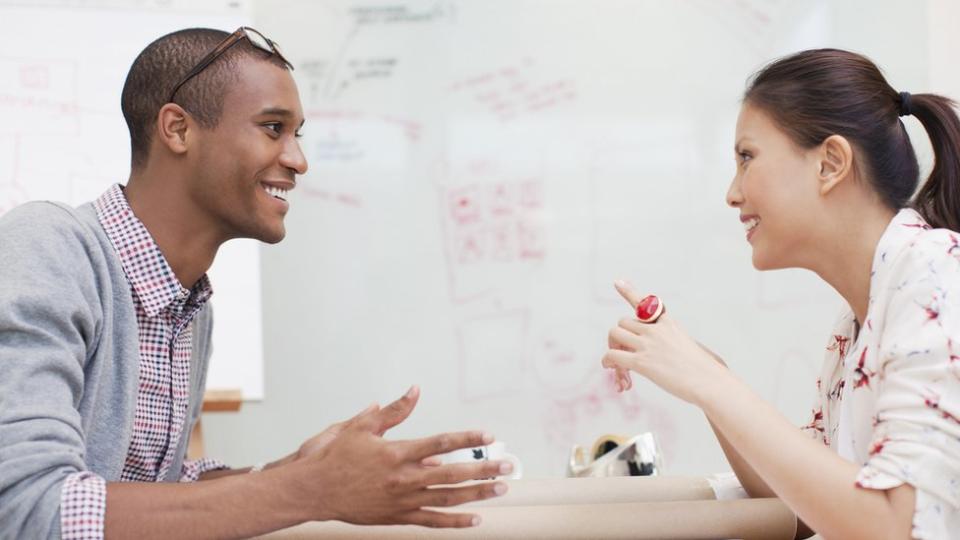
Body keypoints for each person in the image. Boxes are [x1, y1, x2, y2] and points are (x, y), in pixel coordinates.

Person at [0, 27, 510, 539]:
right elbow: (26, 507)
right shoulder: (49, 247)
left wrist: (294, 471)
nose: (298, 160)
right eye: (272, 128)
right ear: (177, 129)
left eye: (297, 135)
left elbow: (152, 487)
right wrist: (307, 489)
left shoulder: (190, 303)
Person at [602, 48, 960, 539]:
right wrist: (707, 375)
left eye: (747, 157)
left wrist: (707, 381)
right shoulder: (859, 315)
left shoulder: (937, 272)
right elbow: (805, 502)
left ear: (830, 163)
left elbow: (896, 525)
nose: (732, 192)